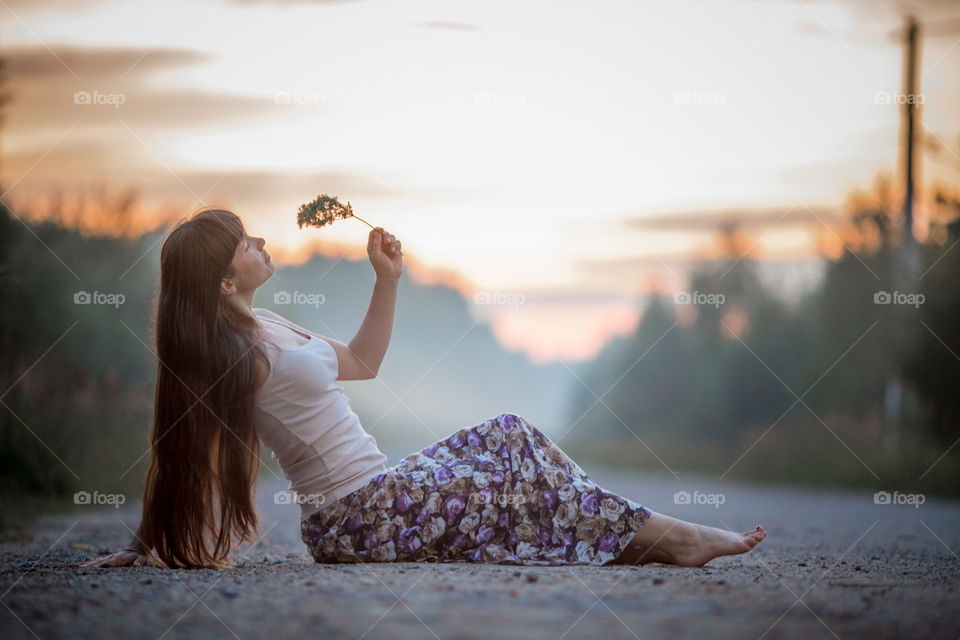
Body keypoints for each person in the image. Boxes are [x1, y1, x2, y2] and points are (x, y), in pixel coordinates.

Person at [81, 208, 766, 570]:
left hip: (384, 490)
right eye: (243, 241)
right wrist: (147, 542)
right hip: (356, 517)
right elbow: (180, 452)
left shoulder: (266, 323)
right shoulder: (236, 358)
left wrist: (387, 280)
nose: (259, 239)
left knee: (510, 435)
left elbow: (362, 362)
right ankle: (672, 536)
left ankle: (650, 538)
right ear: (225, 282)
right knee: (518, 482)